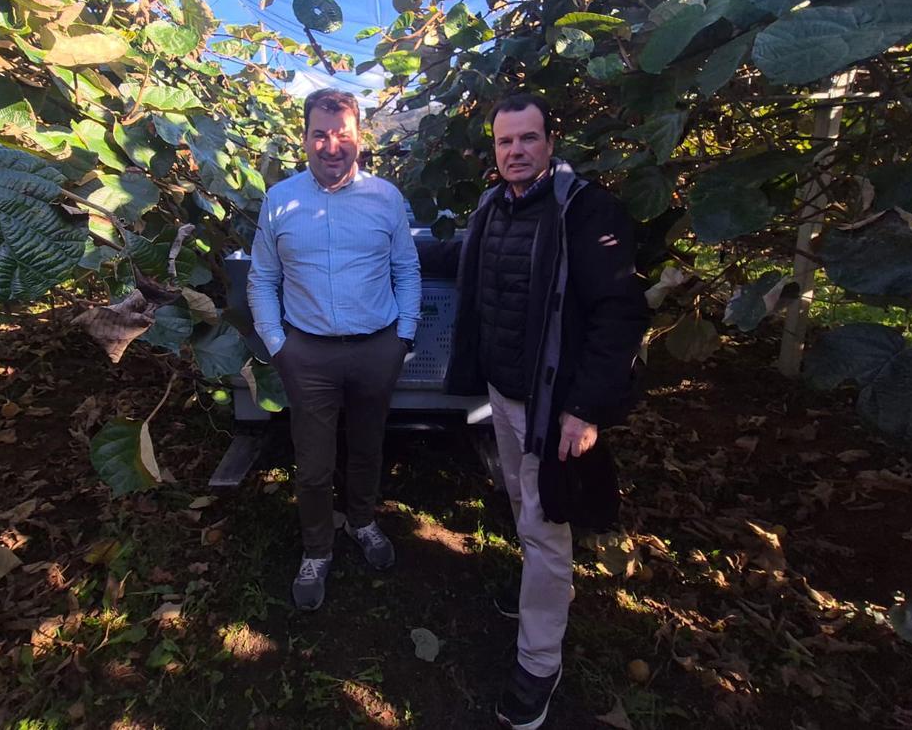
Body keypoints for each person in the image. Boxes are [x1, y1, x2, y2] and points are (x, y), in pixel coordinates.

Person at [421, 93, 648, 729]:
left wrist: (584, 408)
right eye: (504, 142)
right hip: (503, 391)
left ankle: (538, 662)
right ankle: (534, 601)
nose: (515, 151)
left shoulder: (585, 210)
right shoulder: (495, 206)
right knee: (524, 504)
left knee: (548, 525)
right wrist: (386, 246)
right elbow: (460, 260)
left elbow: (619, 314)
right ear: (494, 151)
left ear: (551, 141)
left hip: (553, 403)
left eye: (527, 139)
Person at [247, 87, 421, 611]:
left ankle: (363, 522)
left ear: (359, 138)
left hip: (375, 349)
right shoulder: (280, 200)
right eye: (320, 134)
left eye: (342, 134)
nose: (331, 146)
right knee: (313, 464)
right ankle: (317, 549)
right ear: (304, 138)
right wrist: (279, 345)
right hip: (308, 355)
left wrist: (403, 336)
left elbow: (406, 270)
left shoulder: (386, 198)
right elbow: (261, 278)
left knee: (368, 447)